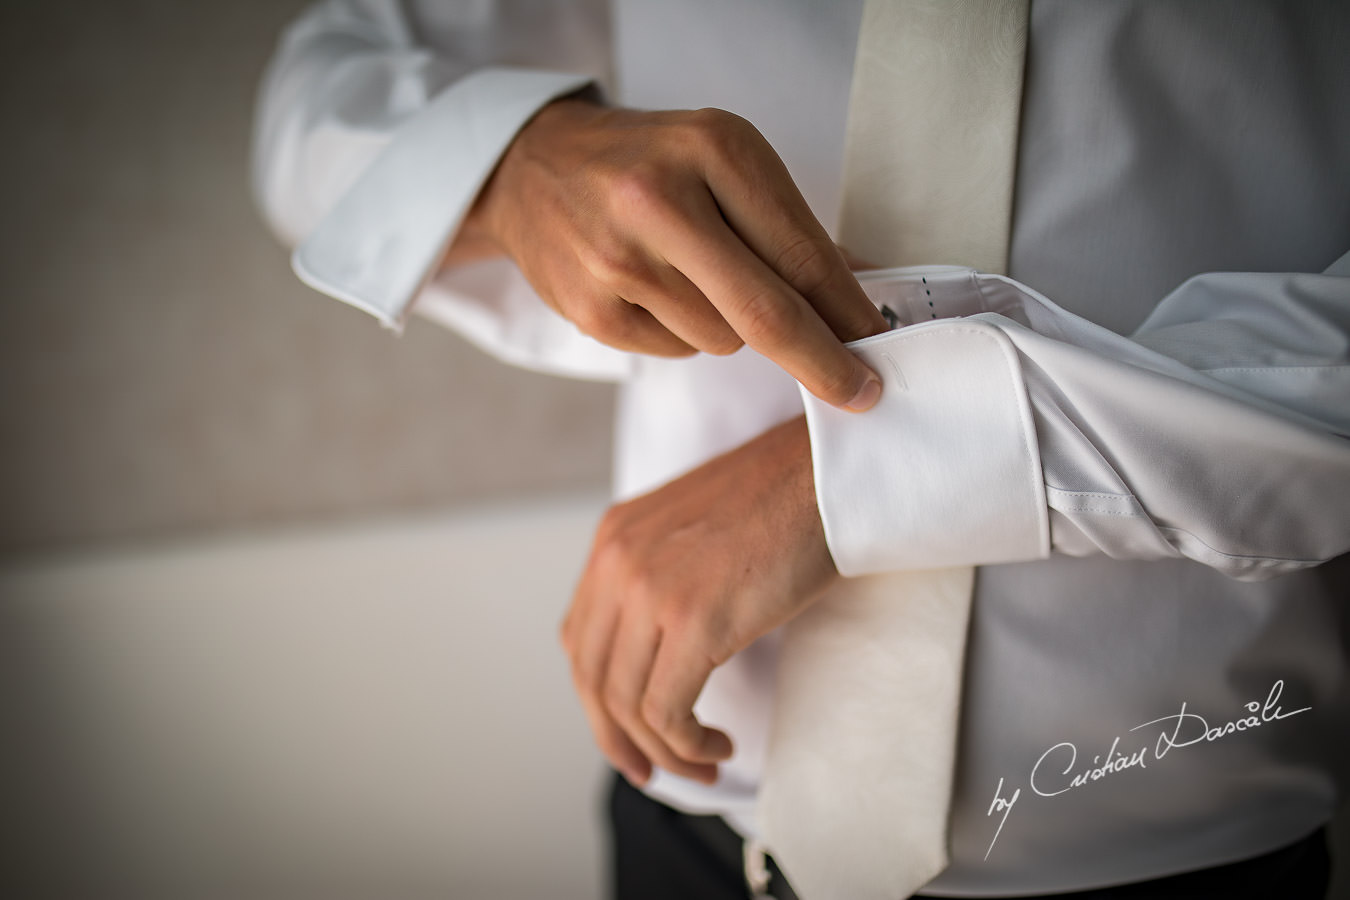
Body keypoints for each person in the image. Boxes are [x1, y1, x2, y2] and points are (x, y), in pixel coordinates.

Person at [253, 1, 1350, 897]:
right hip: (689, 837)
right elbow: (319, 87)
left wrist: (853, 475)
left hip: (1179, 857)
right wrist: (513, 162)